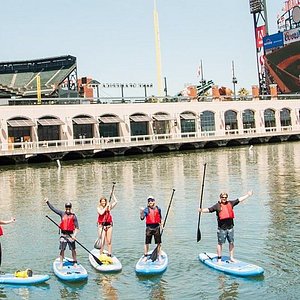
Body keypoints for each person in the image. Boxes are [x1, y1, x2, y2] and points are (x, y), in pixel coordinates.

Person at [199, 191, 253, 263]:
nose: (224, 199)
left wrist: (248, 195)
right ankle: (219, 259)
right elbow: (209, 209)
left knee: (231, 242)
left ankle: (231, 258)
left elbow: (239, 200)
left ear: (227, 198)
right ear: (220, 198)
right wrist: (201, 210)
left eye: (225, 197)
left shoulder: (230, 203)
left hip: (230, 228)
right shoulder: (217, 206)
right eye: (222, 197)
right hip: (222, 229)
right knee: (220, 243)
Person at [45, 198, 79, 268]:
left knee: (73, 249)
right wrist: (48, 202)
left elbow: (77, 228)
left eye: (69, 207)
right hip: (63, 235)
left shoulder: (74, 216)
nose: (68, 209)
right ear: (65, 208)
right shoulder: (62, 213)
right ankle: (61, 263)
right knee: (62, 250)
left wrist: (74, 235)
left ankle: (75, 262)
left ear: (71, 208)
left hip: (71, 235)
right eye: (67, 207)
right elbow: (53, 209)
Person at [140, 196, 163, 261]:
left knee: (158, 243)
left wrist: (162, 225)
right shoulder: (146, 209)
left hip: (156, 227)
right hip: (149, 228)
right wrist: (141, 212)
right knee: (147, 242)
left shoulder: (158, 209)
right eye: (149, 201)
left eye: (152, 200)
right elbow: (142, 218)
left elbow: (160, 218)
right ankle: (145, 255)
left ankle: (159, 256)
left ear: (154, 201)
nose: (150, 202)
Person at [97, 191, 118, 257]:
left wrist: (112, 194)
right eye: (102, 201)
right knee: (102, 240)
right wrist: (106, 207)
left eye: (104, 201)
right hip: (101, 226)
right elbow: (101, 213)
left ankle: (109, 254)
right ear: (100, 202)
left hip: (109, 225)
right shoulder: (98, 208)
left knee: (109, 241)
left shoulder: (108, 207)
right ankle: (101, 253)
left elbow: (116, 202)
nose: (103, 202)